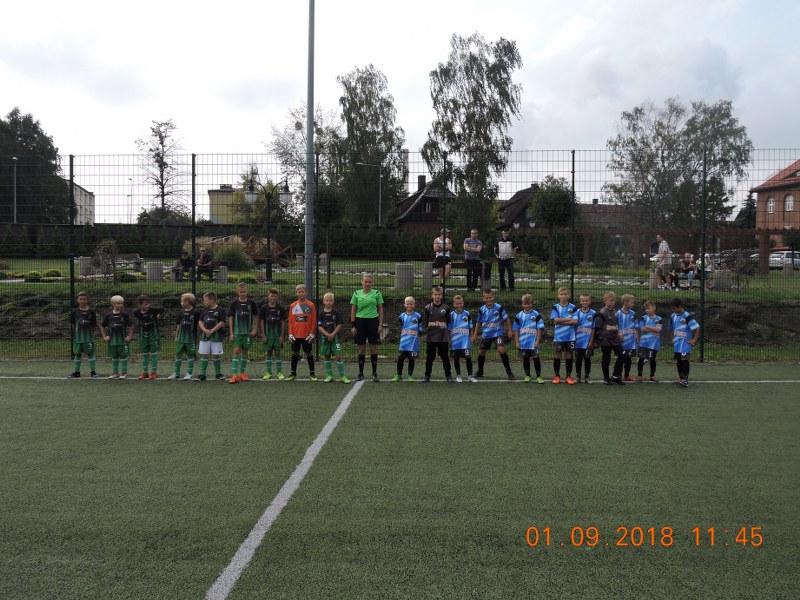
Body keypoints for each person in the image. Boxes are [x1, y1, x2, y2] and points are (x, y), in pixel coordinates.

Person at [472, 289, 515, 380]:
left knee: (501, 349)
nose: (489, 299)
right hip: (486, 335)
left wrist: (510, 331)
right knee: (482, 352)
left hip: (497, 334)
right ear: (483, 299)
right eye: (487, 298)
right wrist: (475, 334)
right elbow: (478, 322)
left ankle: (509, 372)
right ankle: (480, 371)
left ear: (493, 297)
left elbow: (506, 319)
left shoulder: (499, 307)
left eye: (490, 297)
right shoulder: (482, 309)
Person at [350, 273, 384, 382]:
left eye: (369, 282)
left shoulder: (377, 293)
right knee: (361, 348)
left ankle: (374, 373)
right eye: (365, 281)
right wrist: (353, 325)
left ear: (372, 283)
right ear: (362, 282)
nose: (367, 284)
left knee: (373, 348)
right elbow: (353, 310)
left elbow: (381, 309)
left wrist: (380, 324)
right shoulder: (356, 293)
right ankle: (360, 373)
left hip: (373, 322)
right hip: (360, 322)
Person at [228, 282, 259, 384]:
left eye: (244, 291)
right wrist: (231, 333)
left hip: (247, 333)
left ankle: (242, 373)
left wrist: (254, 329)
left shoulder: (251, 303)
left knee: (245, 352)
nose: (242, 293)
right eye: (241, 292)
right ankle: (234, 375)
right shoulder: (234, 304)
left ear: (247, 292)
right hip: (237, 332)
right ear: (237, 292)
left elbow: (256, 316)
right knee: (236, 351)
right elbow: (231, 318)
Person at [421, 286, 453, 383]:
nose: (437, 296)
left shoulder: (446, 308)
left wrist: (449, 337)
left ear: (441, 296)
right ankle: (427, 375)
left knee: (444, 356)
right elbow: (426, 322)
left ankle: (448, 375)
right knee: (430, 357)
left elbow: (448, 322)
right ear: (432, 295)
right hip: (431, 337)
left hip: (443, 337)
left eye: (439, 294)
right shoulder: (427, 308)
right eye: (435, 294)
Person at [318, 292, 350, 383]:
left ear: (333, 302)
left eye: (330, 300)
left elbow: (339, 325)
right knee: (327, 356)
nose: (328, 302)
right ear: (323, 301)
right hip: (325, 338)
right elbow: (319, 326)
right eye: (327, 300)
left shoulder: (336, 313)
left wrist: (332, 334)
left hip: (335, 338)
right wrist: (327, 335)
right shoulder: (321, 314)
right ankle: (329, 375)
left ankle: (342, 376)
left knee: (338, 356)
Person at [594, 291, 625, 385]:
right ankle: (606, 378)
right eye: (610, 300)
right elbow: (597, 327)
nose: (612, 302)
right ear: (605, 301)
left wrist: (619, 333)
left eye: (614, 301)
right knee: (606, 358)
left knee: (622, 355)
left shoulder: (615, 312)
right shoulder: (602, 312)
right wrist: (596, 340)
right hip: (605, 339)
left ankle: (615, 376)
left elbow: (616, 324)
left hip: (615, 338)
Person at [287, 284, 317, 381]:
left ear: (306, 292)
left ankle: (312, 373)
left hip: (307, 335)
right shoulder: (293, 306)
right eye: (299, 292)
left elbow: (313, 320)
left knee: (308, 353)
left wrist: (312, 333)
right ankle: (293, 373)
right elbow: (290, 321)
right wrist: (290, 333)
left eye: (302, 292)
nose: (301, 293)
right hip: (295, 335)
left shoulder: (311, 305)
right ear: (296, 293)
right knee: (295, 353)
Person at [668, 297, 700, 388]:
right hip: (677, 344)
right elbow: (670, 328)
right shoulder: (672, 316)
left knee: (684, 360)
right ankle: (681, 378)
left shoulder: (687, 316)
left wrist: (694, 339)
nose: (673, 310)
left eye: (674, 308)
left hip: (685, 343)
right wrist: (672, 338)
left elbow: (697, 328)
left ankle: (685, 380)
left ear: (680, 307)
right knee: (679, 360)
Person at [513, 294, 545, 384]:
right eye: (525, 304)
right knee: (525, 358)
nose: (526, 306)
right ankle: (527, 375)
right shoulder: (519, 316)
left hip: (533, 342)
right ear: (522, 304)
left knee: (536, 358)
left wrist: (537, 341)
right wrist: (517, 342)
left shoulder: (536, 315)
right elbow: (516, 329)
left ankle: (538, 376)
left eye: (528, 304)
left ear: (532, 304)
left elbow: (539, 328)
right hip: (523, 342)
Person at [101, 295, 133, 380]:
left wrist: (130, 336)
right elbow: (102, 326)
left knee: (123, 357)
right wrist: (105, 336)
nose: (120, 305)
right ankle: (115, 373)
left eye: (121, 303)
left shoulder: (124, 315)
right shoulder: (108, 315)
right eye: (118, 303)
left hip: (122, 341)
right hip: (112, 341)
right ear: (113, 304)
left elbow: (131, 325)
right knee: (114, 357)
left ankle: (124, 373)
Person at [168, 293, 200, 380]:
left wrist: (198, 337)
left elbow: (198, 325)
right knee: (178, 354)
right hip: (181, 338)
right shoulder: (181, 312)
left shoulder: (195, 312)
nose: (181, 303)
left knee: (190, 355)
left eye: (182, 301)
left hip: (191, 338)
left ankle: (189, 373)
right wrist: (176, 336)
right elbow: (178, 325)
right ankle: (176, 373)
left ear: (188, 301)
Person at [133, 294, 165, 380]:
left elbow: (162, 309)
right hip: (143, 335)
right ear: (140, 305)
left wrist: (159, 315)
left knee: (154, 353)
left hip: (153, 335)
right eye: (145, 304)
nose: (147, 306)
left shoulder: (153, 310)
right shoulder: (136, 312)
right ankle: (145, 373)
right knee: (145, 353)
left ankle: (154, 373)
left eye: (148, 304)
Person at [67, 291, 99, 379]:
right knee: (77, 354)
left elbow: (93, 325)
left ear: (87, 300)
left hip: (88, 338)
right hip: (78, 338)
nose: (82, 300)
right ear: (77, 300)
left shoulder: (91, 312)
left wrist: (90, 334)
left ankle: (93, 371)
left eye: (84, 299)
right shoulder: (74, 311)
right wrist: (75, 334)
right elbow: (73, 324)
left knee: (90, 353)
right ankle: (77, 372)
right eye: (80, 299)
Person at [550, 287, 578, 384]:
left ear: (568, 295)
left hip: (570, 337)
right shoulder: (555, 307)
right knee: (557, 355)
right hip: (559, 337)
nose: (563, 296)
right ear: (558, 296)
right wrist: (569, 319)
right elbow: (555, 320)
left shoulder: (573, 307)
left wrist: (561, 321)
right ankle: (557, 376)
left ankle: (568, 376)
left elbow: (575, 321)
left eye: (565, 294)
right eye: (561, 294)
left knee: (569, 355)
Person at [259, 288, 287, 380]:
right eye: (271, 296)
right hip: (268, 335)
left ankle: (279, 372)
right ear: (268, 296)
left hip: (277, 336)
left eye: (275, 296)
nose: (273, 298)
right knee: (269, 353)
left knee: (278, 353)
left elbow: (283, 322)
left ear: (277, 297)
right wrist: (263, 335)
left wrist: (282, 335)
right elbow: (262, 322)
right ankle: (268, 372)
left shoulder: (280, 308)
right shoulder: (264, 308)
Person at [197, 291, 226, 381]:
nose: (204, 302)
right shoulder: (204, 310)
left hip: (216, 336)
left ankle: (218, 374)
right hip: (205, 336)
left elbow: (222, 322)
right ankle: (202, 374)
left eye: (206, 300)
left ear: (212, 300)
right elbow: (200, 321)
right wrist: (204, 330)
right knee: (204, 354)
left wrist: (212, 330)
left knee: (216, 355)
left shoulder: (220, 310)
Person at [393, 296, 422, 382]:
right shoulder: (402, 316)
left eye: (411, 304)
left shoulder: (418, 316)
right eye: (408, 304)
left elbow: (420, 327)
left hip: (413, 343)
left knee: (411, 359)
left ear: (414, 305)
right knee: (400, 359)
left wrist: (419, 331)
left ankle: (410, 375)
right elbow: (400, 326)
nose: (409, 305)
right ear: (405, 305)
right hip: (404, 342)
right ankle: (398, 375)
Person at [449, 295, 477, 383]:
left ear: (463, 303)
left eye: (460, 303)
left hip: (465, 341)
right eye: (457, 304)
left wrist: (471, 336)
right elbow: (448, 328)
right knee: (456, 358)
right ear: (454, 304)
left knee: (468, 358)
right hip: (455, 341)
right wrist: (449, 339)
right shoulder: (451, 315)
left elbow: (470, 327)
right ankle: (458, 375)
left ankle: (470, 376)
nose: (459, 305)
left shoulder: (467, 314)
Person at [637, 299, 662, 382]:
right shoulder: (643, 318)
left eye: (648, 308)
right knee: (641, 359)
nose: (647, 310)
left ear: (654, 307)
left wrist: (648, 326)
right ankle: (640, 375)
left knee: (652, 360)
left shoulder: (659, 319)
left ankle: (652, 375)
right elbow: (642, 329)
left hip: (654, 344)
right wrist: (653, 328)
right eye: (646, 309)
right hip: (644, 343)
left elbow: (658, 330)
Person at [573, 293, 596, 384]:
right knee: (578, 359)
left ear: (590, 302)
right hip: (578, 341)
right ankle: (578, 376)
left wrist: (591, 341)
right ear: (580, 302)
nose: (585, 302)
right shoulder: (577, 312)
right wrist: (574, 339)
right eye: (583, 301)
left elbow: (593, 329)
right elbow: (573, 326)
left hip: (587, 341)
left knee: (587, 359)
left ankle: (587, 376)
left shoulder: (593, 313)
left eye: (586, 300)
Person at [617, 293, 638, 381]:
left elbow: (635, 325)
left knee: (629, 358)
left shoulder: (633, 313)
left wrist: (636, 335)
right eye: (632, 302)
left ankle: (627, 375)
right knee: (621, 358)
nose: (633, 304)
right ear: (625, 302)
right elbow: (615, 325)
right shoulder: (618, 313)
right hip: (622, 340)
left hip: (631, 340)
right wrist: (618, 334)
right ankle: (618, 375)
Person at [494, 227, 518, 291]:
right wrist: (497, 256)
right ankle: (502, 288)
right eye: (504, 233)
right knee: (501, 274)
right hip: (501, 259)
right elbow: (495, 249)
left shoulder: (512, 240)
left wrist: (513, 256)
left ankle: (512, 288)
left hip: (509, 259)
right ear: (502, 233)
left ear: (508, 233)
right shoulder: (498, 240)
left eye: (506, 233)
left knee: (511, 274)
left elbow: (515, 248)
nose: (505, 234)